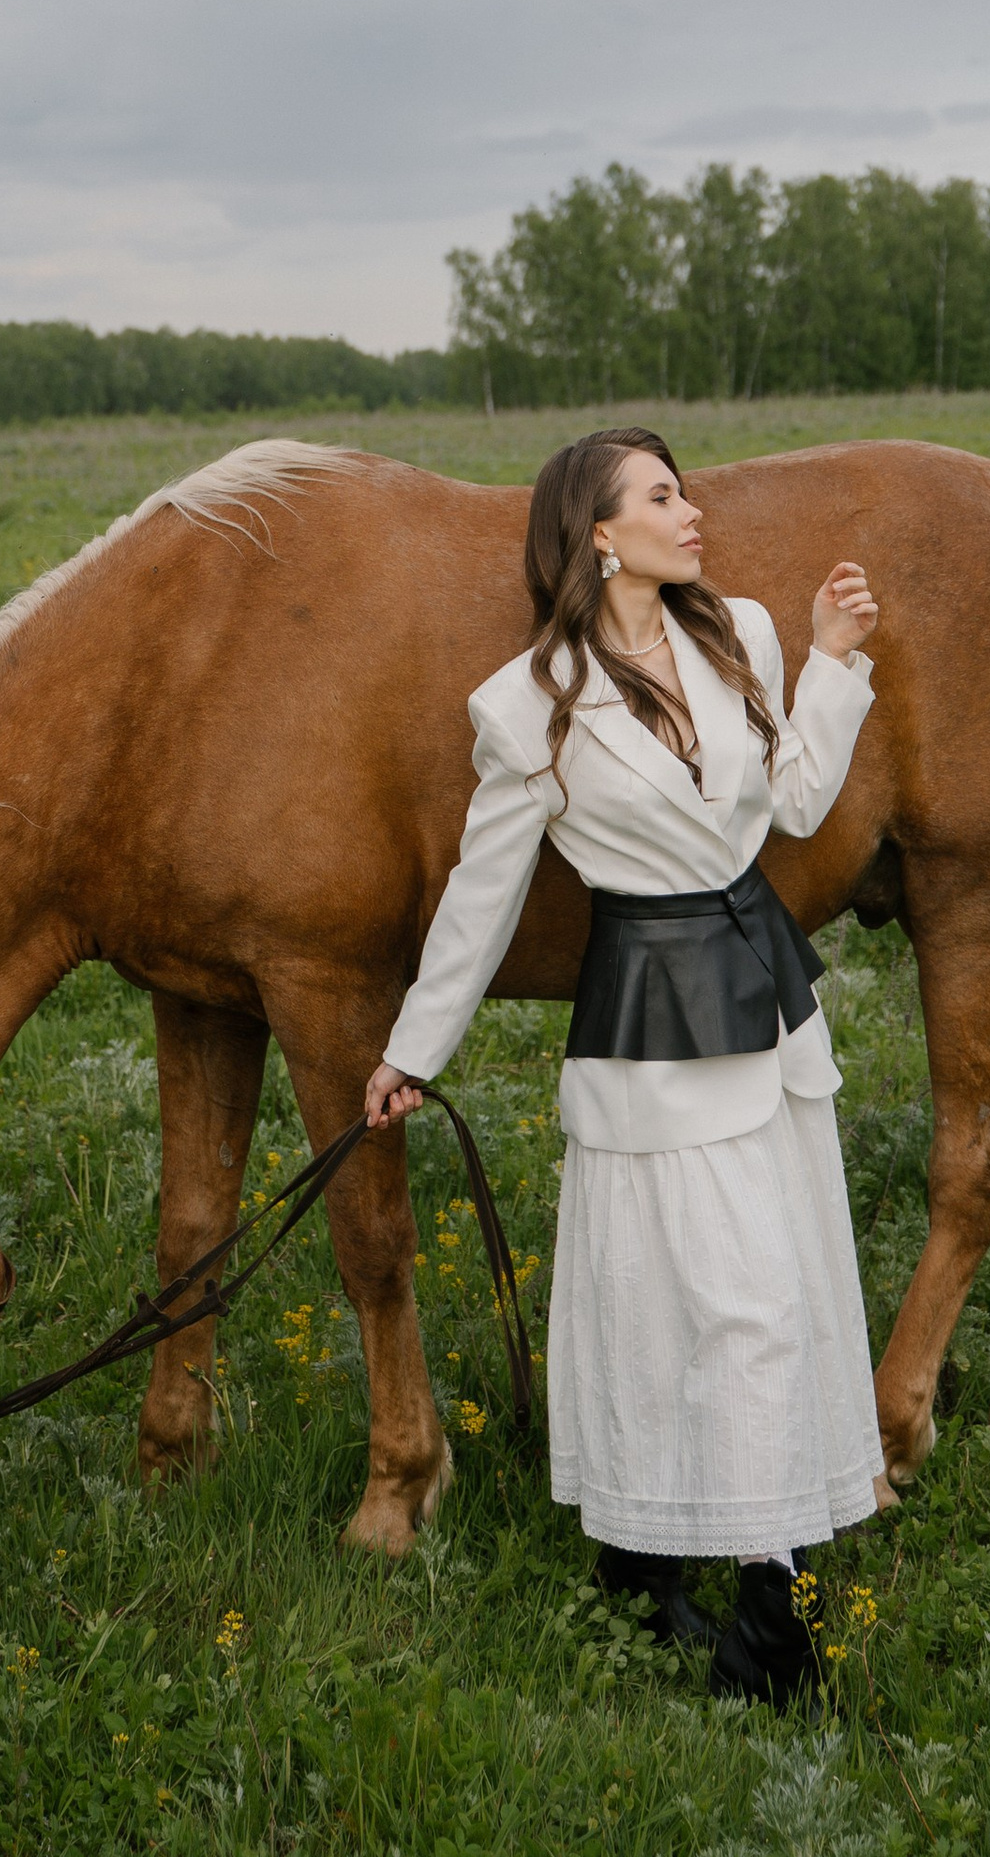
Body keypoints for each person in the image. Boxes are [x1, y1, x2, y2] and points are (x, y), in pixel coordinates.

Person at [365, 427, 883, 1704]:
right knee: (694, 1309)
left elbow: (800, 805)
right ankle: (734, 1605)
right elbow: (482, 900)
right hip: (649, 1028)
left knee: (776, 1294)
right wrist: (413, 1056)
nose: (691, 510)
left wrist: (831, 661)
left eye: (684, 488)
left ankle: (753, 1601)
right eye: (661, 496)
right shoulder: (525, 704)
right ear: (598, 532)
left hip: (763, 999)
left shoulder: (742, 636)